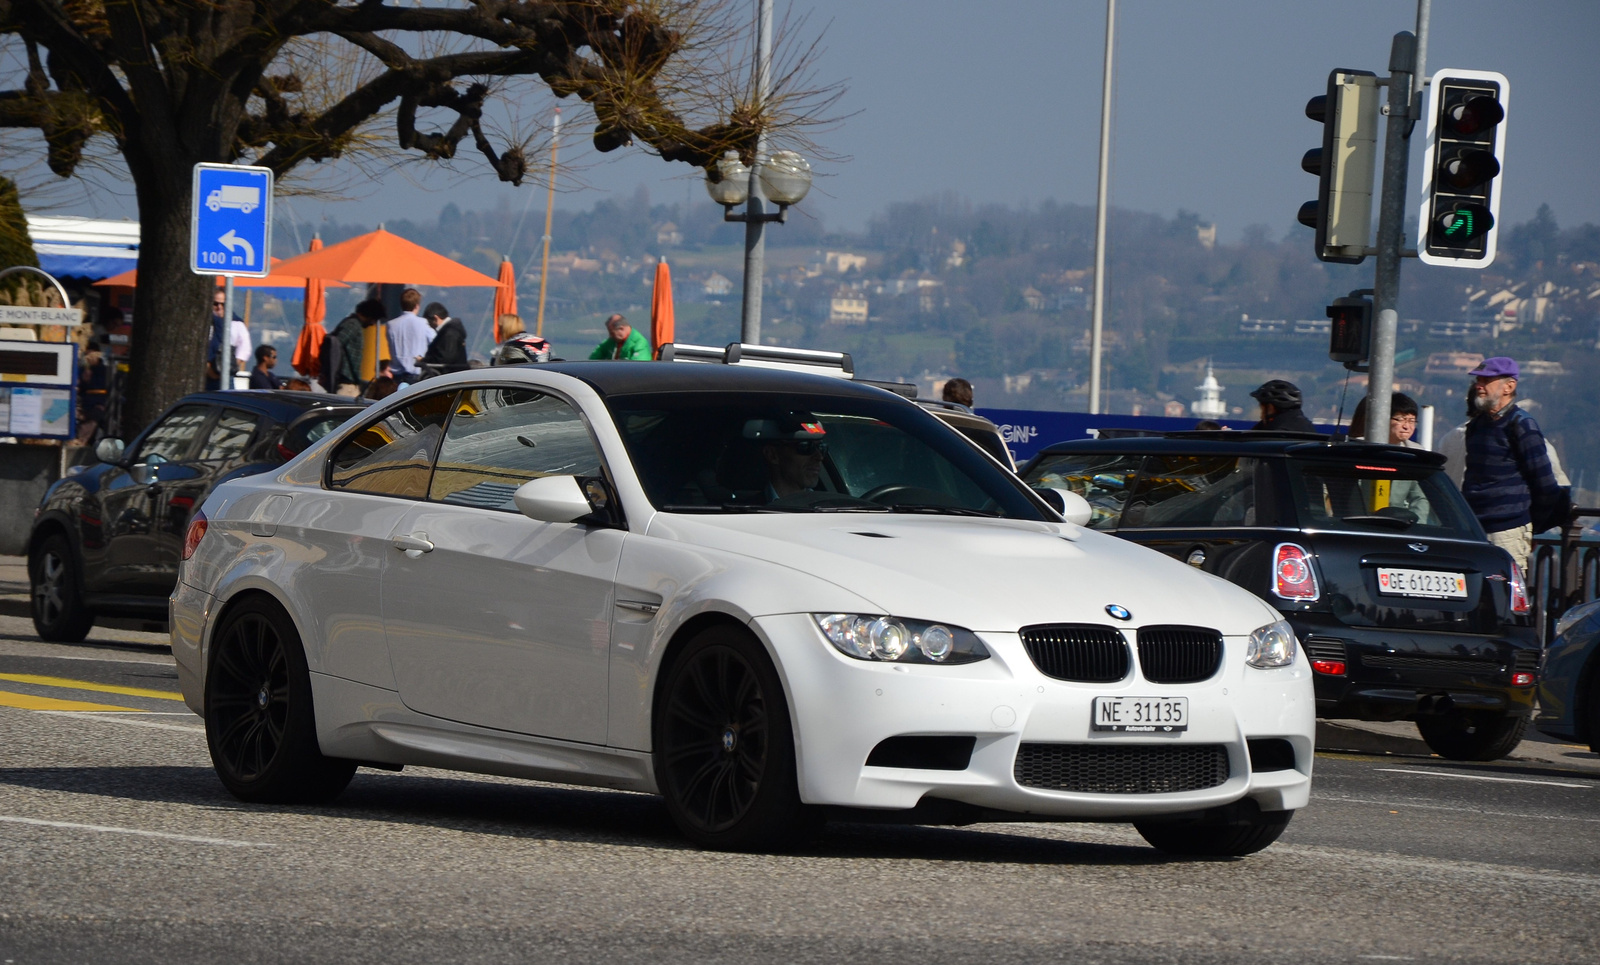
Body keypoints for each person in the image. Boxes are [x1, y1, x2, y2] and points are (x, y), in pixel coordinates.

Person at [1460, 356, 1570, 569]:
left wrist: (1528, 524)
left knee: (1507, 595)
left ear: (1509, 386)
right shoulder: (1477, 426)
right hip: (1475, 527)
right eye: (1478, 381)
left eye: (1485, 381)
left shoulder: (1521, 425)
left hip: (1507, 531)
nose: (1479, 386)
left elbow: (1545, 484)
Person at [321, 299, 384, 398]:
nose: (373, 324)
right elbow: (336, 344)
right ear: (370, 315)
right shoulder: (353, 325)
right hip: (346, 382)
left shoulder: (350, 323)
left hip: (347, 380)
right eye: (374, 320)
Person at [204, 291, 251, 390]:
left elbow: (245, 349)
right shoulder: (205, 323)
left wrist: (227, 366)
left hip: (227, 376)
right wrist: (208, 369)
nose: (219, 307)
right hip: (205, 375)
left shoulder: (237, 324)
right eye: (215, 304)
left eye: (223, 304)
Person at [385, 288, 434, 383]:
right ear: (417, 306)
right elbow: (435, 341)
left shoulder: (391, 325)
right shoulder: (423, 323)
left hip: (396, 375)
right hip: (416, 373)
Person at [1347, 392, 1423, 447]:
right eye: (1400, 419)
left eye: (1411, 421)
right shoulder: (1358, 446)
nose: (1406, 426)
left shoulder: (1417, 451)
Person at [419, 301, 468, 375]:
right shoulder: (449, 331)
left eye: (429, 321)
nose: (429, 325)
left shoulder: (450, 334)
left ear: (435, 318)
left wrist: (426, 360)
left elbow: (446, 358)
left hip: (449, 377)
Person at [1249, 379, 1316, 433]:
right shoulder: (1307, 427)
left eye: (1262, 409)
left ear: (1270, 408)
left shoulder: (1276, 434)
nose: (1261, 416)